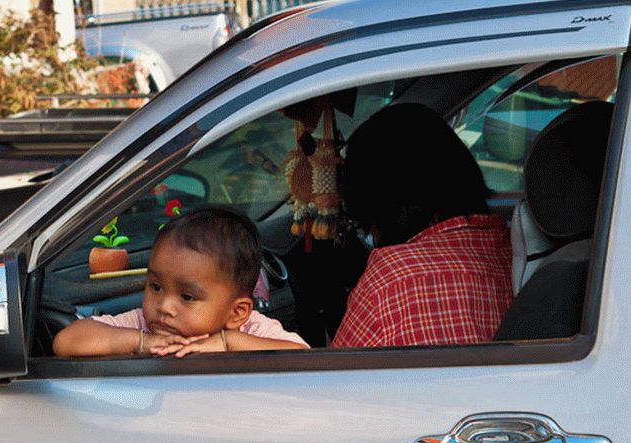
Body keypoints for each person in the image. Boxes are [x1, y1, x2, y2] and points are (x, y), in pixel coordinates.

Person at [332, 103, 513, 348]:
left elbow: (337, 381)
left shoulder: (391, 280)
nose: (372, 236)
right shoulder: (512, 251)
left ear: (383, 204)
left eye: (367, 223)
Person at [53, 208, 309, 357]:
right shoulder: (143, 326)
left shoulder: (250, 330)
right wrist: (139, 342)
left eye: (187, 297)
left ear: (237, 312)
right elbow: (66, 341)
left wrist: (227, 343)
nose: (164, 306)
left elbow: (305, 361)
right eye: (156, 287)